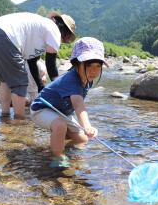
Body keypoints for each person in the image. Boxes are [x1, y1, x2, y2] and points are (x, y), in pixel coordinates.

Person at [0, 11, 76, 119]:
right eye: (67, 37)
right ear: (65, 31)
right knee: (20, 83)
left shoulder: (40, 29)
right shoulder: (54, 30)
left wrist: (41, 87)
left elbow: (32, 63)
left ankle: (5, 116)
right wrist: (60, 90)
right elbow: (50, 65)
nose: (64, 40)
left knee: (5, 80)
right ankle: (19, 121)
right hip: (4, 36)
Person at [30, 37, 107, 168]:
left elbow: (76, 104)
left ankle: (58, 145)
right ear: (76, 63)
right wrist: (87, 126)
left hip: (62, 111)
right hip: (41, 109)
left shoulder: (88, 79)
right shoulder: (71, 79)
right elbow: (78, 104)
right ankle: (57, 155)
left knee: (82, 140)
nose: (94, 71)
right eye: (89, 65)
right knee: (60, 125)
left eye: (98, 66)